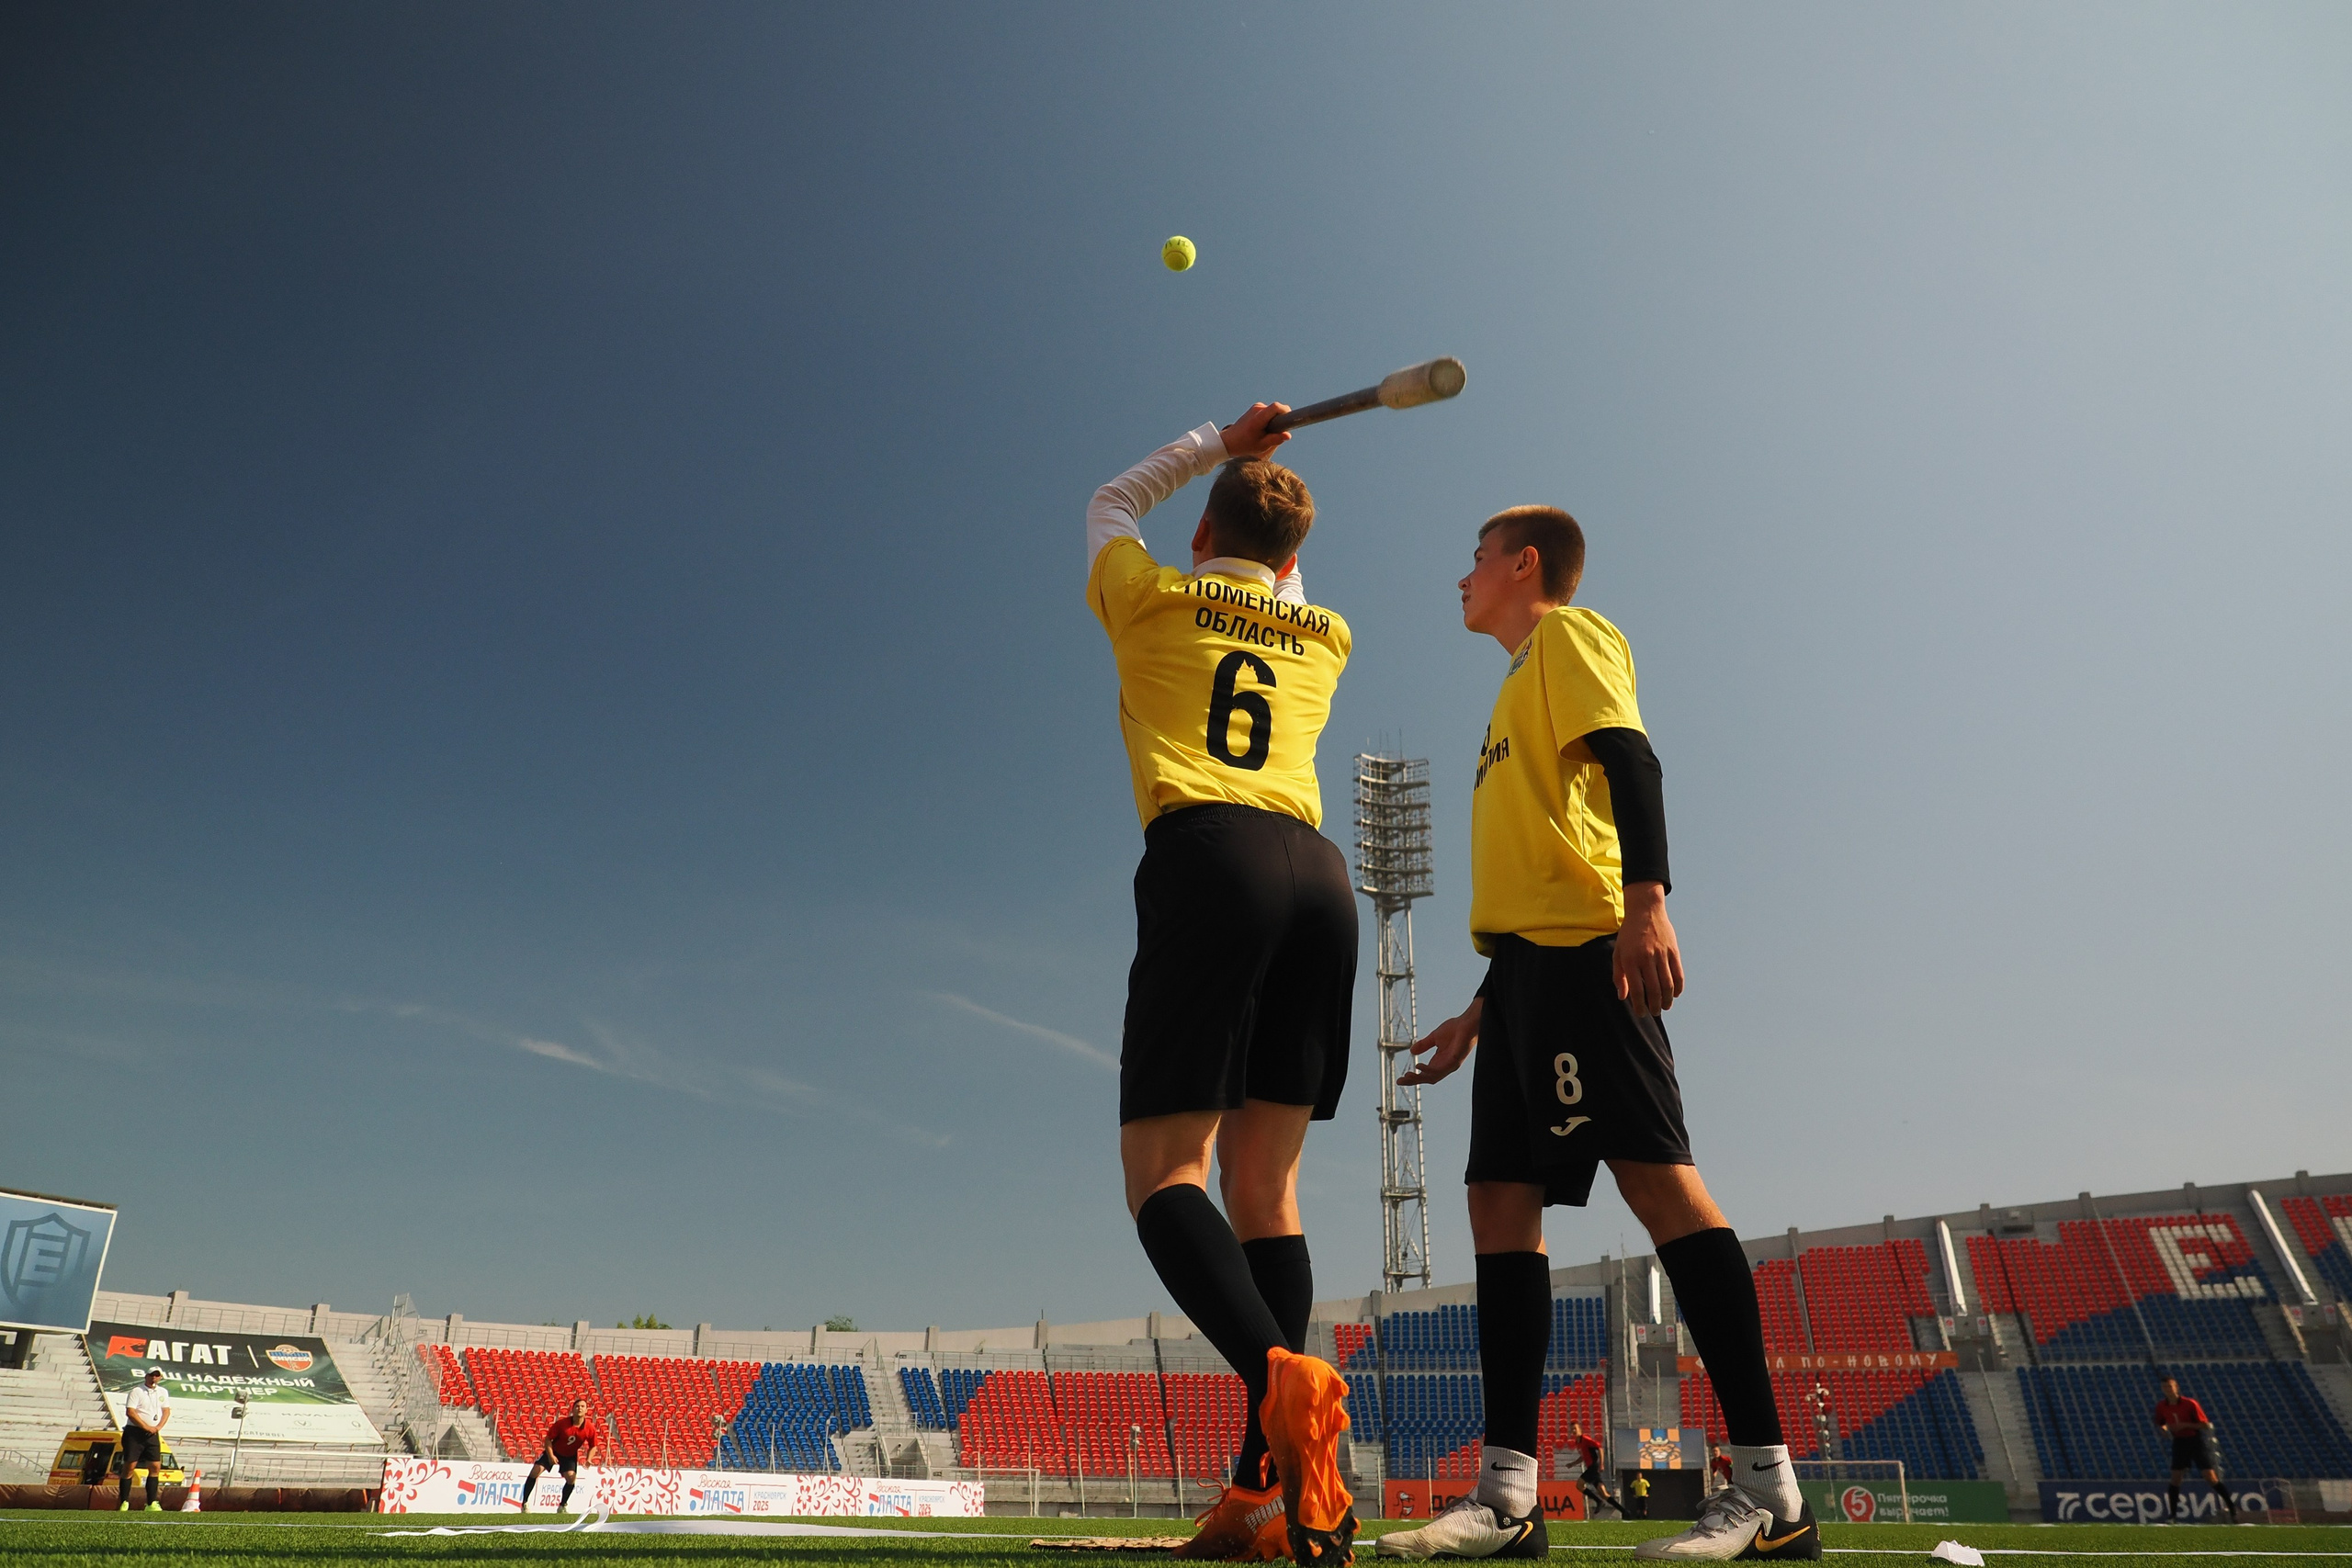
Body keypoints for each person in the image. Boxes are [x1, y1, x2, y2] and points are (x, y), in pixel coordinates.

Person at [1377, 508, 1818, 1562]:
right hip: (1525, 974)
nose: (1460, 578)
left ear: (1523, 565)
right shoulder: (1509, 686)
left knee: (1659, 1185)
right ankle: (1508, 1499)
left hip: (1587, 954)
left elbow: (1632, 761)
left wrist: (1647, 902)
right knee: (1496, 1202)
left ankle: (1770, 1493)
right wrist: (1486, 1007)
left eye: (1473, 557)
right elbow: (1540, 852)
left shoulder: (1570, 637)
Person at [1089, 402, 1358, 1564]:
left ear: (1198, 531)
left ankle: (1278, 1383)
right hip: (1319, 879)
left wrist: (1218, 437)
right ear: (1296, 564)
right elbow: (1270, 573)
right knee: (1270, 1194)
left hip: (1211, 860)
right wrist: (1245, 476)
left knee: (1162, 1174)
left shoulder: (1149, 596)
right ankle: (1266, 1502)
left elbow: (1108, 504)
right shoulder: (1326, 633)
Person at [2155, 1376, 2236, 1522]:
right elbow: (2161, 1422)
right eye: (2165, 1387)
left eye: (2170, 1387)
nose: (2168, 1390)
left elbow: (2204, 1424)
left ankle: (2232, 1508)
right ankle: (2173, 1515)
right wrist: (2164, 1429)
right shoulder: (2162, 1406)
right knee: (2175, 1478)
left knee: (2210, 1477)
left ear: (2176, 1387)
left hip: (2195, 1441)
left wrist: (2185, 1425)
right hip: (2179, 1442)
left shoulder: (2190, 1403)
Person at [519, 1398, 602, 1514]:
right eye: (577, 1406)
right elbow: (548, 1439)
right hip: (554, 1451)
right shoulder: (562, 1424)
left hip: (569, 1455)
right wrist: (551, 1455)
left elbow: (593, 1446)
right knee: (535, 1471)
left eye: (582, 1406)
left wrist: (589, 1459)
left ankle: (562, 1506)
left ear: (586, 1410)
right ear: (573, 1409)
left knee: (571, 1478)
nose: (580, 1408)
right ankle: (525, 1503)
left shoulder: (589, 1428)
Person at [118, 1365, 170, 1512]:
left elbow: (166, 1411)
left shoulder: (163, 1392)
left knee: (155, 1467)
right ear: (146, 1376)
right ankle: (124, 1502)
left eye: (157, 1375)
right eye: (151, 1375)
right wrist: (146, 1427)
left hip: (152, 1433)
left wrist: (158, 1427)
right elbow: (131, 1412)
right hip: (135, 1433)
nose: (154, 1378)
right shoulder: (137, 1391)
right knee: (130, 1466)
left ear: (160, 1377)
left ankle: (152, 1502)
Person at [1567, 1423, 1619, 1517]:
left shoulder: (1585, 1439)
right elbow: (1583, 1456)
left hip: (1593, 1466)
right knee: (1603, 1493)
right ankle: (1624, 1511)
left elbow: (1599, 1448)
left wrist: (1602, 1464)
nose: (1573, 1431)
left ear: (1580, 1430)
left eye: (1575, 1429)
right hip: (1591, 1467)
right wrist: (1572, 1464)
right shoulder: (1577, 1443)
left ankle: (1598, 1501)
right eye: (1572, 1429)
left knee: (1579, 1484)